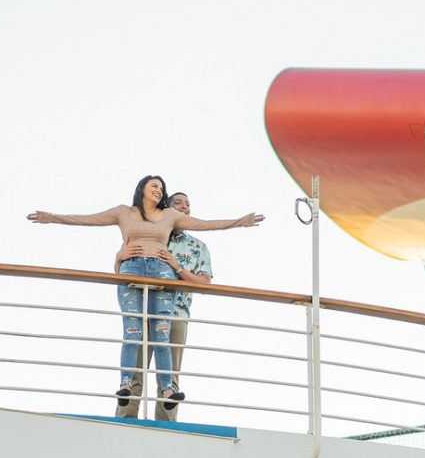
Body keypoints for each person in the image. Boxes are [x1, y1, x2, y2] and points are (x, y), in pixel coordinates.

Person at [27, 175, 263, 410]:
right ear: (142, 189)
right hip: (133, 270)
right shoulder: (123, 212)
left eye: (161, 187)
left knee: (161, 334)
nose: (159, 190)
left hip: (164, 278)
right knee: (132, 331)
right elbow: (88, 219)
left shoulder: (173, 221)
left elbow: (206, 224)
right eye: (154, 186)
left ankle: (168, 389)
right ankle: (125, 385)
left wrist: (240, 221)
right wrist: (50, 218)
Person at [114, 191, 211, 420]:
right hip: (142, 311)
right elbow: (120, 274)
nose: (184, 207)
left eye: (188, 204)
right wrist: (119, 257)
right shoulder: (146, 233)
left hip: (176, 315)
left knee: (169, 377)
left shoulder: (197, 247)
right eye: (178, 203)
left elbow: (205, 282)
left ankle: (167, 428)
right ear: (167, 208)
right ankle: (123, 425)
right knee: (134, 373)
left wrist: (177, 268)